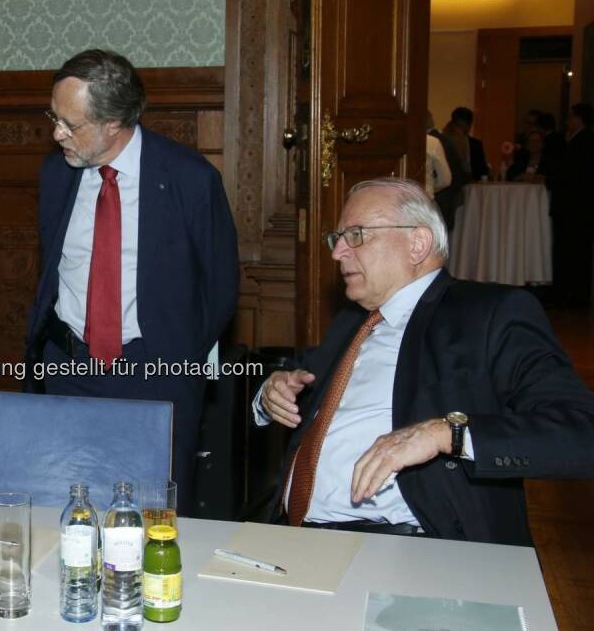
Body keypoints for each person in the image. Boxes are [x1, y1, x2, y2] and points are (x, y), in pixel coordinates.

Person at [253, 178, 594, 545]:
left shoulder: (489, 314)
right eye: (337, 239)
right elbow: (301, 381)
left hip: (410, 546)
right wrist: (271, 392)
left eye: (356, 235)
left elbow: (580, 433)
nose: (338, 253)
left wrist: (447, 433)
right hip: (292, 538)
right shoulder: (351, 322)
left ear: (417, 243)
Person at [23, 49, 239, 513]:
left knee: (148, 515)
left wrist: (173, 353)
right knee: (60, 507)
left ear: (114, 123)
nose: (56, 133)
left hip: (153, 373)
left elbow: (220, 288)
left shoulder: (190, 179)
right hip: (67, 367)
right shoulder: (56, 173)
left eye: (71, 124)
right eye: (53, 117)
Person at [547, 103, 594, 307]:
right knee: (574, 250)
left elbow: (572, 174)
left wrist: (550, 177)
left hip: (574, 206)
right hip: (577, 206)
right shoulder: (577, 140)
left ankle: (570, 295)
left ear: (579, 119)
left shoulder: (583, 141)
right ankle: (572, 294)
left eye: (570, 117)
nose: (567, 121)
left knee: (572, 250)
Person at [450, 106, 489, 181]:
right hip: (471, 186)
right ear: (469, 125)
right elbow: (483, 171)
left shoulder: (443, 141)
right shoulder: (476, 144)